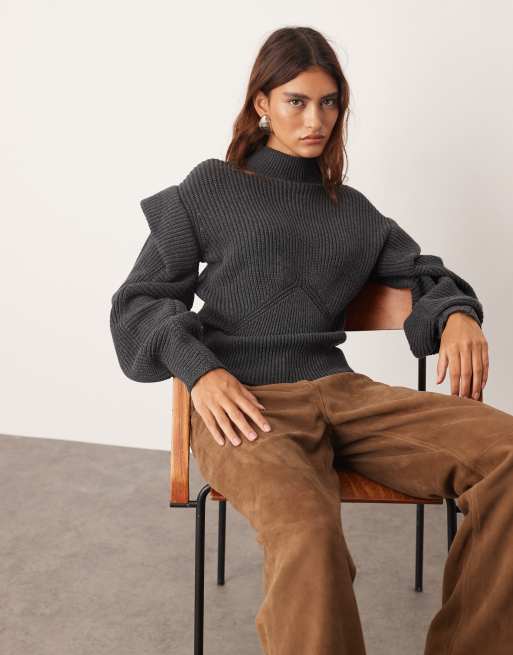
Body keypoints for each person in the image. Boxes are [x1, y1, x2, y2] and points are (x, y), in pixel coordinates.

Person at [110, 26, 513, 655]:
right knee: (308, 530)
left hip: (343, 393)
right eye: (296, 101)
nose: (315, 119)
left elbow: (425, 274)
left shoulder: (352, 211)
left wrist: (457, 314)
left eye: (329, 103)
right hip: (244, 405)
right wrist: (201, 370)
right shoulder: (211, 187)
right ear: (262, 104)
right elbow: (138, 301)